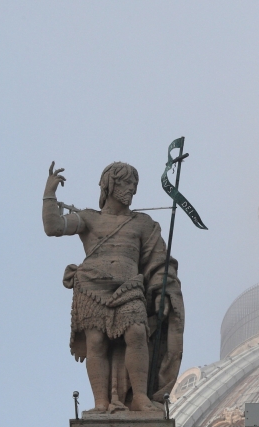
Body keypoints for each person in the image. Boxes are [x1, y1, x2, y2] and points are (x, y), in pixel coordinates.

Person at [42, 161, 184, 413]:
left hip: (129, 287)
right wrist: (49, 193)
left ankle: (140, 396)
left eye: (134, 185)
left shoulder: (144, 224)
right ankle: (100, 402)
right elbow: (53, 227)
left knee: (137, 334)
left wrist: (162, 289)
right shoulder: (88, 218)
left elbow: (159, 261)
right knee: (96, 343)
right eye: (126, 183)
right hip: (91, 288)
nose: (132, 190)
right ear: (110, 184)